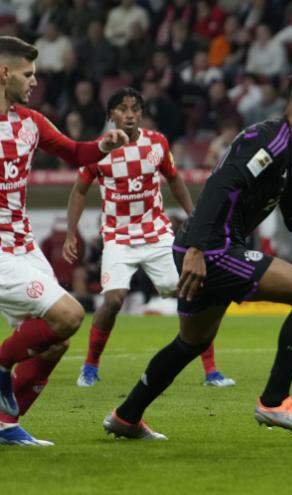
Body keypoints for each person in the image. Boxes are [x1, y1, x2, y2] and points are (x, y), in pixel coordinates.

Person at [101, 68, 292, 440]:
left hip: (205, 247)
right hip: (211, 249)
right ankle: (274, 401)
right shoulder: (268, 140)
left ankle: (127, 415)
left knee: (191, 342)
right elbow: (221, 184)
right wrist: (198, 248)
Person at [0, 36, 129, 446]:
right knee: (70, 314)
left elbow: (75, 152)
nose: (34, 81)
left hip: (23, 245)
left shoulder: (30, 123)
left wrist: (103, 146)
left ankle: (4, 426)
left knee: (54, 343)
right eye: (28, 74)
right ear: (4, 73)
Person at [63, 87, 235, 389]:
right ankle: (90, 366)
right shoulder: (98, 149)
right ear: (111, 115)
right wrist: (70, 234)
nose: (129, 114)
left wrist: (195, 218)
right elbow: (78, 191)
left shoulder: (157, 143)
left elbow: (175, 180)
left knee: (193, 292)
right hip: (118, 236)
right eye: (122, 108)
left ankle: (211, 371)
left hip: (157, 234)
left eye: (135, 108)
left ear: (140, 113)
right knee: (114, 299)